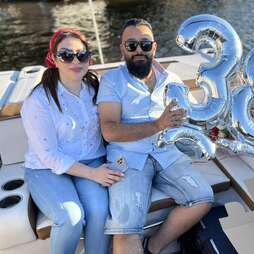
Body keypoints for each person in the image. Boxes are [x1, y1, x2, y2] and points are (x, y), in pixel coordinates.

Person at [97, 18, 214, 254]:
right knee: (127, 231)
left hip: (167, 154)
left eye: (145, 44)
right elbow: (109, 130)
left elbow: (191, 118)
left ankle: (153, 246)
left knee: (203, 197)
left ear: (154, 47)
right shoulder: (112, 80)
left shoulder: (173, 81)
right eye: (131, 45)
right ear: (122, 49)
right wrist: (158, 124)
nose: (139, 50)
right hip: (128, 160)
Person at [21, 28, 123, 254]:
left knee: (98, 210)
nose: (75, 61)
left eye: (81, 54)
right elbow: (49, 155)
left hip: (91, 160)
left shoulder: (96, 89)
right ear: (54, 59)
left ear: (89, 58)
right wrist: (94, 174)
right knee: (71, 217)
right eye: (67, 55)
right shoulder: (38, 101)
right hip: (47, 168)